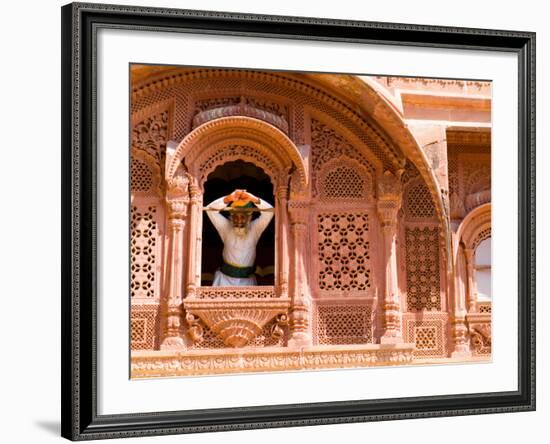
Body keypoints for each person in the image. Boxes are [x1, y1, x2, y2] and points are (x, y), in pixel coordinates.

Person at [205, 189, 274, 286]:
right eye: (236, 217)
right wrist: (229, 198)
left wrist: (253, 199)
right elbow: (210, 210)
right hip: (224, 281)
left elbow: (270, 212)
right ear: (232, 217)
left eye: (243, 217)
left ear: (249, 218)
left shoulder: (254, 229)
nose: (239, 220)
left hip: (247, 283)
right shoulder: (226, 227)